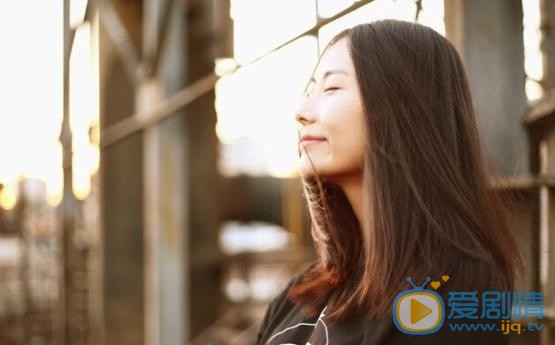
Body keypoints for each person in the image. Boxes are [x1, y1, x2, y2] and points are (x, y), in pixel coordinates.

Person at [255, 19, 523, 345]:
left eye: (331, 88)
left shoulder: (451, 296)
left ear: (399, 108)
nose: (302, 110)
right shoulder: (302, 293)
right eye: (310, 89)